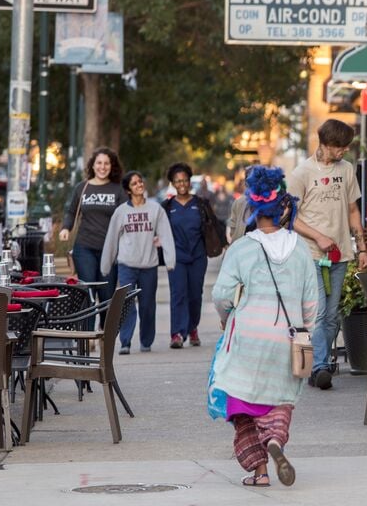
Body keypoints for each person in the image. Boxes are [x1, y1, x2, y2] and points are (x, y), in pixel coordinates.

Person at [211, 166, 318, 488]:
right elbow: (312, 301)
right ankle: (274, 439)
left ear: (253, 209)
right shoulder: (299, 248)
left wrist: (226, 316)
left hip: (248, 336)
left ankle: (259, 471)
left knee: (242, 401)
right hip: (286, 338)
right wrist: (305, 331)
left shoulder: (243, 248)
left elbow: (221, 295)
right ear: (282, 207)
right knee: (279, 399)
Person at [286, 119, 367, 390]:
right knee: (321, 312)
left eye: (347, 147)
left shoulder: (346, 170)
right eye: (339, 147)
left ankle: (319, 363)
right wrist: (319, 236)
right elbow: (290, 219)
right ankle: (320, 367)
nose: (344, 151)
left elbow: (353, 211)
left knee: (332, 315)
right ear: (324, 144)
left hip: (341, 255)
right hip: (311, 254)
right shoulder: (301, 173)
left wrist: (362, 247)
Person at [100, 171, 176, 354]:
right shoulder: (121, 212)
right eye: (134, 184)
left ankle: (146, 341)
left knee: (148, 305)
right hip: (126, 264)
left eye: (140, 182)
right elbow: (111, 239)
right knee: (126, 303)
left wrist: (170, 259)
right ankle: (125, 342)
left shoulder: (155, 209)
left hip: (148, 265)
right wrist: (106, 264)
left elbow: (166, 234)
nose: (139, 185)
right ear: (128, 190)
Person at [59, 147, 128, 324]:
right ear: (93, 165)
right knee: (88, 291)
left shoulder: (118, 190)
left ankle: (105, 334)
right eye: (99, 163)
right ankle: (87, 337)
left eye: (106, 163)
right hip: (84, 247)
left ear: (112, 167)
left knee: (107, 295)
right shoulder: (82, 188)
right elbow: (71, 211)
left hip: (110, 249)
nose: (102, 167)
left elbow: (126, 217)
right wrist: (65, 228)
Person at [163, 162, 221, 349]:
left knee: (195, 295)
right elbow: (158, 230)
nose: (181, 184)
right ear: (172, 183)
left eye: (185, 180)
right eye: (177, 181)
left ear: (190, 182)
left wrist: (224, 243)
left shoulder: (201, 204)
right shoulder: (167, 206)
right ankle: (177, 334)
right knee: (178, 294)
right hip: (177, 257)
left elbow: (214, 225)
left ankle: (192, 328)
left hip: (198, 256)